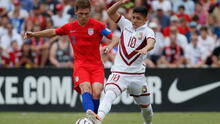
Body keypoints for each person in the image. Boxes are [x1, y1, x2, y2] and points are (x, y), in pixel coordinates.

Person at [24, 0, 116, 114]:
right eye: (81, 14)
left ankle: (93, 119)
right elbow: (52, 32)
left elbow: (115, 37)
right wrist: (33, 34)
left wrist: (111, 45)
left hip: (96, 65)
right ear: (76, 12)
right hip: (81, 65)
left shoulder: (98, 25)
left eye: (86, 14)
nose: (84, 17)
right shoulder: (70, 27)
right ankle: (90, 115)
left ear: (90, 12)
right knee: (85, 87)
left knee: (97, 92)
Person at [86, 0, 156, 124]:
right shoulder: (126, 24)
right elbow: (110, 12)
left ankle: (148, 123)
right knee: (109, 94)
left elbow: (151, 42)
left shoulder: (148, 31)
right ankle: (98, 119)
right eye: (133, 17)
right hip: (120, 72)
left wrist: (146, 48)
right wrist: (120, 2)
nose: (134, 20)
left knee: (146, 108)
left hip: (137, 76)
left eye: (138, 18)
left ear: (146, 19)